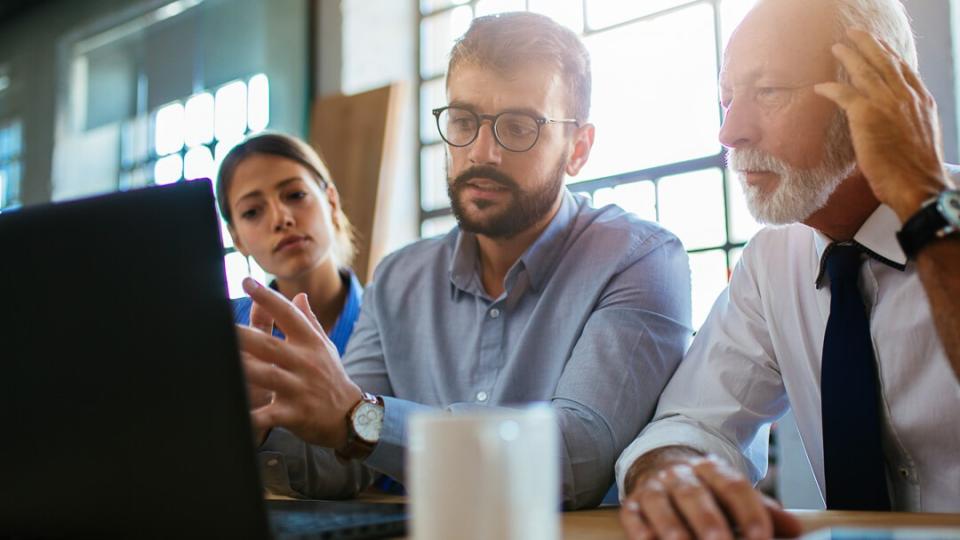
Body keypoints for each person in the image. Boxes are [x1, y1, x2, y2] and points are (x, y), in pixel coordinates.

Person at [235, 11, 692, 509]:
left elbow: (577, 457)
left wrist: (360, 417)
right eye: (463, 121)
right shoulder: (398, 279)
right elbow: (344, 458)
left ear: (577, 149)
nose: (481, 152)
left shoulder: (639, 259)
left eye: (518, 127)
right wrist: (264, 420)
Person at [616, 0, 960, 538]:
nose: (730, 133)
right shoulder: (770, 260)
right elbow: (693, 423)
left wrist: (924, 203)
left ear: (881, 95)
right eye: (726, 100)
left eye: (768, 91)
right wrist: (673, 472)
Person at [215, 132, 366, 495]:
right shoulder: (223, 333)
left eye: (295, 195)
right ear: (238, 239)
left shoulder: (389, 315)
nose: (281, 218)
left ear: (330, 201)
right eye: (253, 211)